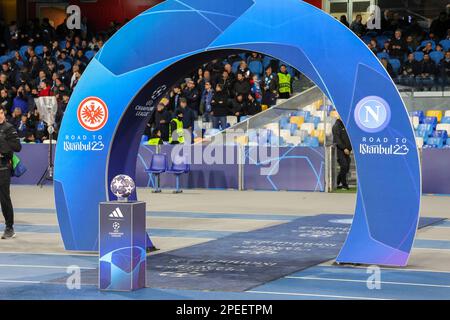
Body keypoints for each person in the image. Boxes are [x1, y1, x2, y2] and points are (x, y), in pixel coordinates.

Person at [0, 107, 22, 239]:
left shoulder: (9, 128)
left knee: (4, 200)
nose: (0, 116)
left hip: (3, 169)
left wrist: (3, 148)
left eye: (1, 113)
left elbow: (17, 147)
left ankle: (9, 227)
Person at [332, 116, 352, 190]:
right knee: (344, 165)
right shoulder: (336, 126)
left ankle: (337, 183)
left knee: (346, 167)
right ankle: (344, 185)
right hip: (339, 150)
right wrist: (344, 148)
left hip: (347, 150)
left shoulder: (346, 125)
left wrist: (350, 148)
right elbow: (337, 139)